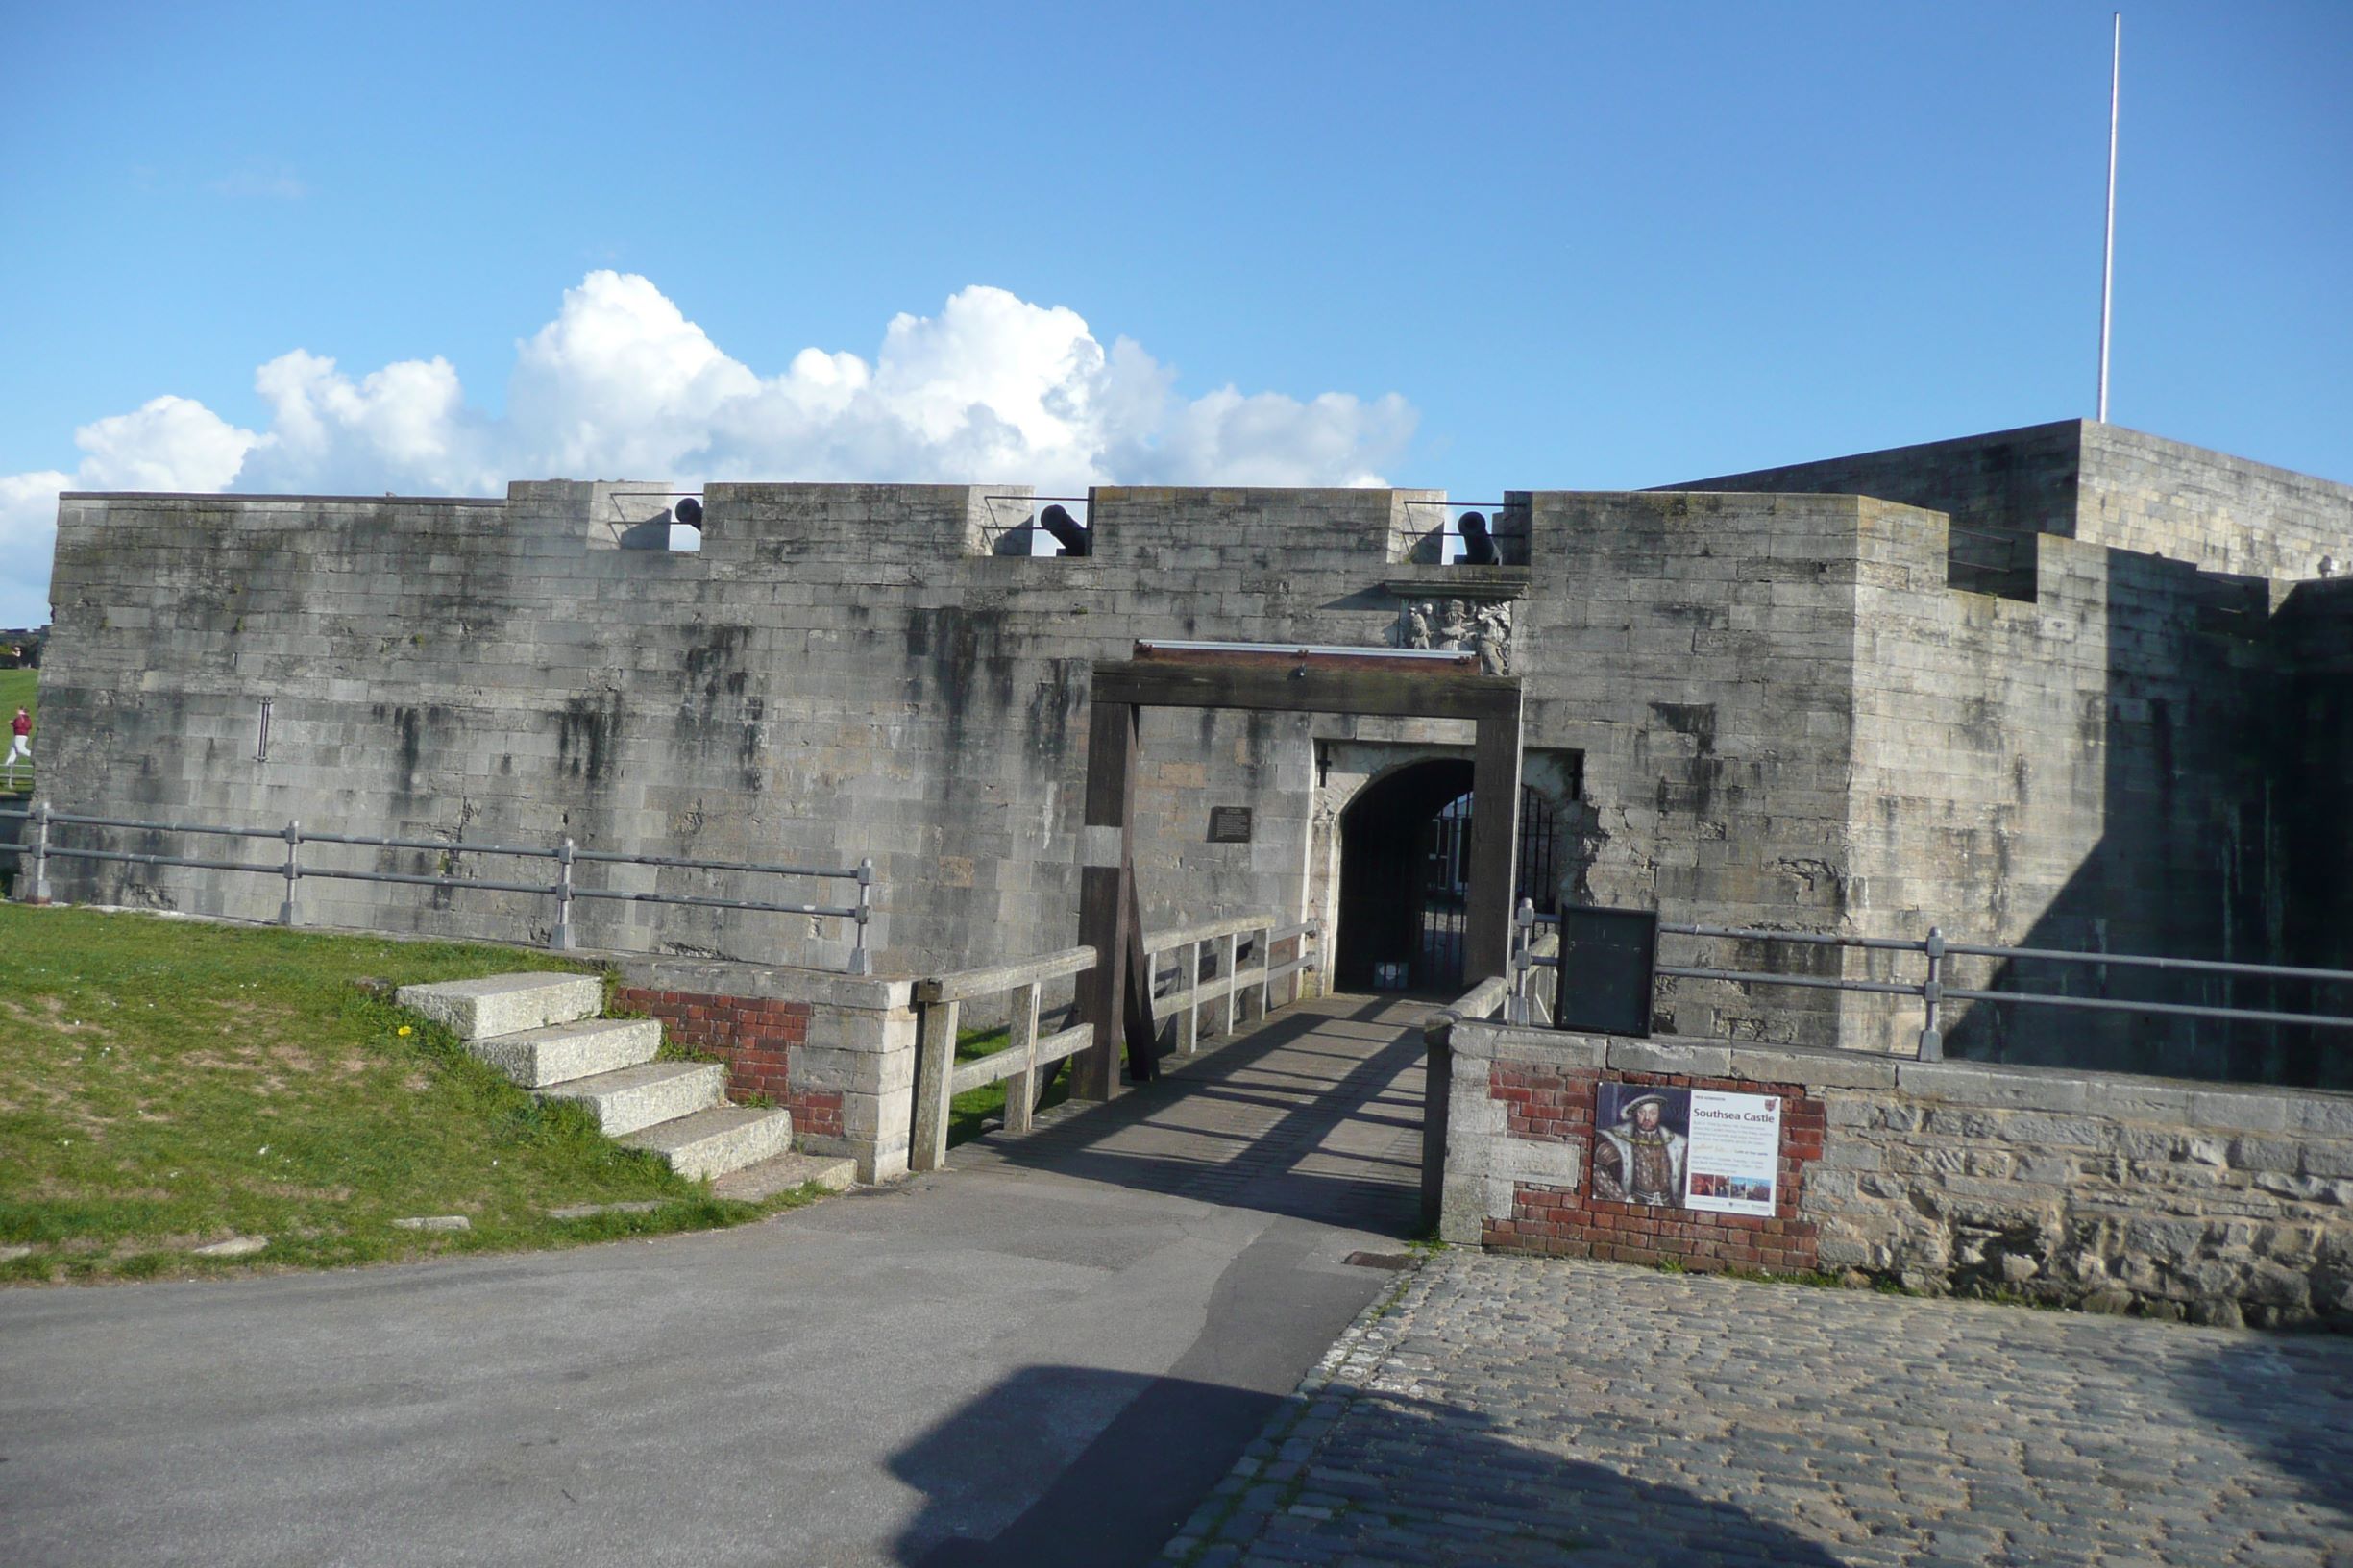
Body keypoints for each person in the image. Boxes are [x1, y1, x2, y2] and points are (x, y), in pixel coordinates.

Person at [1592, 1091, 1687, 1206]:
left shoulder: (1678, 1143)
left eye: (1653, 1113)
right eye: (1642, 1112)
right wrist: (1623, 1198)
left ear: (1659, 1114)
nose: (1647, 1118)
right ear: (1635, 1114)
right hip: (1636, 1203)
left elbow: (1690, 1176)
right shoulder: (1616, 1139)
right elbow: (1597, 1170)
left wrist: (1684, 1199)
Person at [5, 706, 28, 790]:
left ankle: (32, 755)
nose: (17, 710)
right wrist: (13, 723)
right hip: (18, 735)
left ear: (22, 711)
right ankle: (8, 764)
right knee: (13, 751)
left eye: (19, 709)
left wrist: (12, 723)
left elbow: (19, 725)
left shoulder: (22, 717)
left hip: (20, 736)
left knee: (20, 749)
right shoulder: (22, 717)